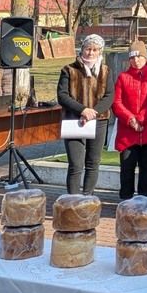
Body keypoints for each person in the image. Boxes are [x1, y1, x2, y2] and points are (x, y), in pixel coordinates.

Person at [57, 34, 115, 195]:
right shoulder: (69, 70)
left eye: (95, 50)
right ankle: (73, 199)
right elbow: (62, 95)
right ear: (82, 49)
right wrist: (83, 110)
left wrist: (93, 112)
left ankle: (87, 197)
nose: (91, 53)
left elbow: (109, 96)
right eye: (88, 49)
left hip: (99, 120)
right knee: (76, 164)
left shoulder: (105, 71)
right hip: (74, 120)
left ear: (99, 52)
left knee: (93, 162)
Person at [111, 40, 147, 200]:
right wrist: (130, 119)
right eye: (133, 57)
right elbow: (117, 102)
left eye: (139, 56)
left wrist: (141, 118)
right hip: (128, 130)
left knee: (146, 166)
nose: (136, 60)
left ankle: (143, 198)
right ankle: (126, 198)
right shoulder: (123, 77)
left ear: (145, 57)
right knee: (127, 166)